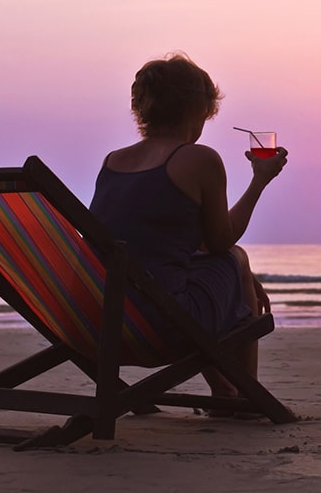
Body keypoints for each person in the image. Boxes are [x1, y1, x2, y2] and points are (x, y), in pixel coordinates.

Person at [89, 52, 287, 402]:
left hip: (100, 323)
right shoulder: (199, 159)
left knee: (191, 277)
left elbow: (149, 245)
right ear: (197, 111)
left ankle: (223, 389)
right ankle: (242, 396)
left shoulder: (113, 162)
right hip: (163, 328)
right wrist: (260, 181)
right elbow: (222, 241)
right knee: (236, 257)